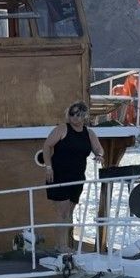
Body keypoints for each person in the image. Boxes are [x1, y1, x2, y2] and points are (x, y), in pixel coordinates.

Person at [42, 101, 104, 253]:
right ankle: (61, 246)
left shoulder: (89, 133)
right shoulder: (62, 129)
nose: (75, 117)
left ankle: (64, 244)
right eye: (72, 114)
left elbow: (98, 148)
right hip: (59, 176)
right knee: (62, 212)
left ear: (85, 116)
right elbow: (47, 146)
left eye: (78, 114)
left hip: (77, 178)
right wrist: (48, 167)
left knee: (69, 212)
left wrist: (100, 155)